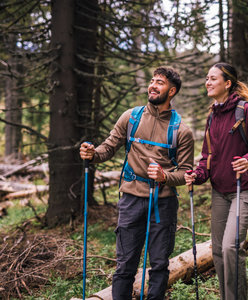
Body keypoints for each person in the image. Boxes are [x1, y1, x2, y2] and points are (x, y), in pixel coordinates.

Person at [80, 66, 194, 300]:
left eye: (159, 82)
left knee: (160, 264)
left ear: (171, 91)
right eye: (152, 81)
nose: (152, 85)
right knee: (125, 265)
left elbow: (185, 173)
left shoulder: (182, 131)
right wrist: (92, 153)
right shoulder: (131, 117)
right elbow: (108, 147)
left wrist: (165, 177)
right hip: (131, 200)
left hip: (163, 204)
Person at [184, 62, 248, 300]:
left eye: (213, 78)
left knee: (231, 247)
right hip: (220, 191)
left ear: (227, 83)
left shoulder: (245, 111)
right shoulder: (212, 116)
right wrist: (197, 175)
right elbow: (207, 159)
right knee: (219, 252)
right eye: (206, 79)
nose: (208, 82)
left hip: (246, 187)